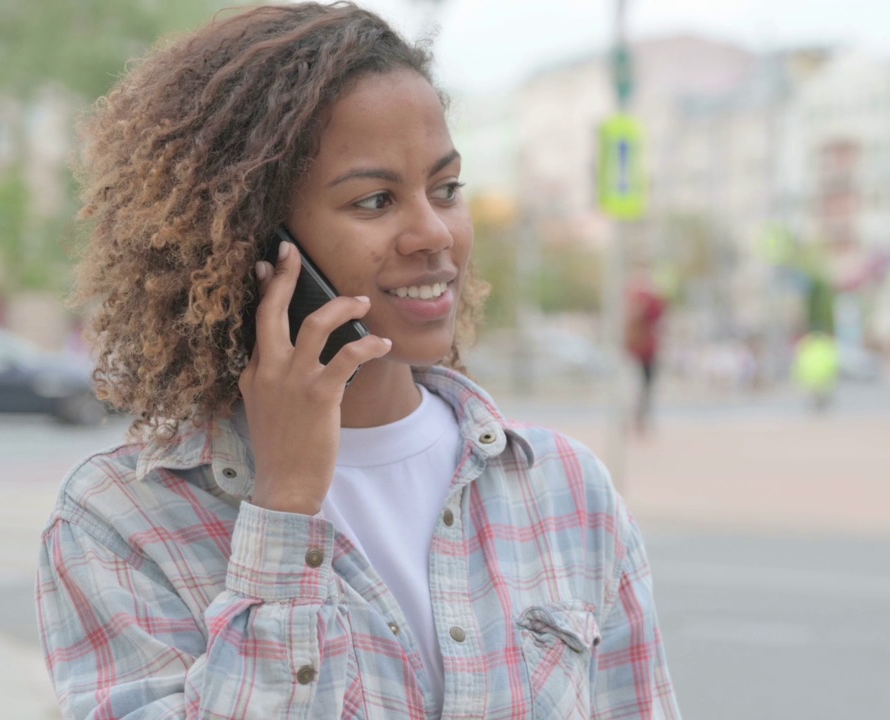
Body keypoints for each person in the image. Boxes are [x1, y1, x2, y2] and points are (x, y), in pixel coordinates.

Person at [34, 4, 680, 719]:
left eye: (446, 189)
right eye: (375, 201)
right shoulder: (122, 522)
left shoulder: (565, 490)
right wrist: (284, 510)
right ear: (252, 241)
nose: (434, 233)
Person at [624, 263, 667, 436]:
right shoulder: (646, 297)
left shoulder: (631, 295)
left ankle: (638, 418)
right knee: (643, 386)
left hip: (637, 347)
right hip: (643, 348)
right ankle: (639, 419)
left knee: (641, 386)